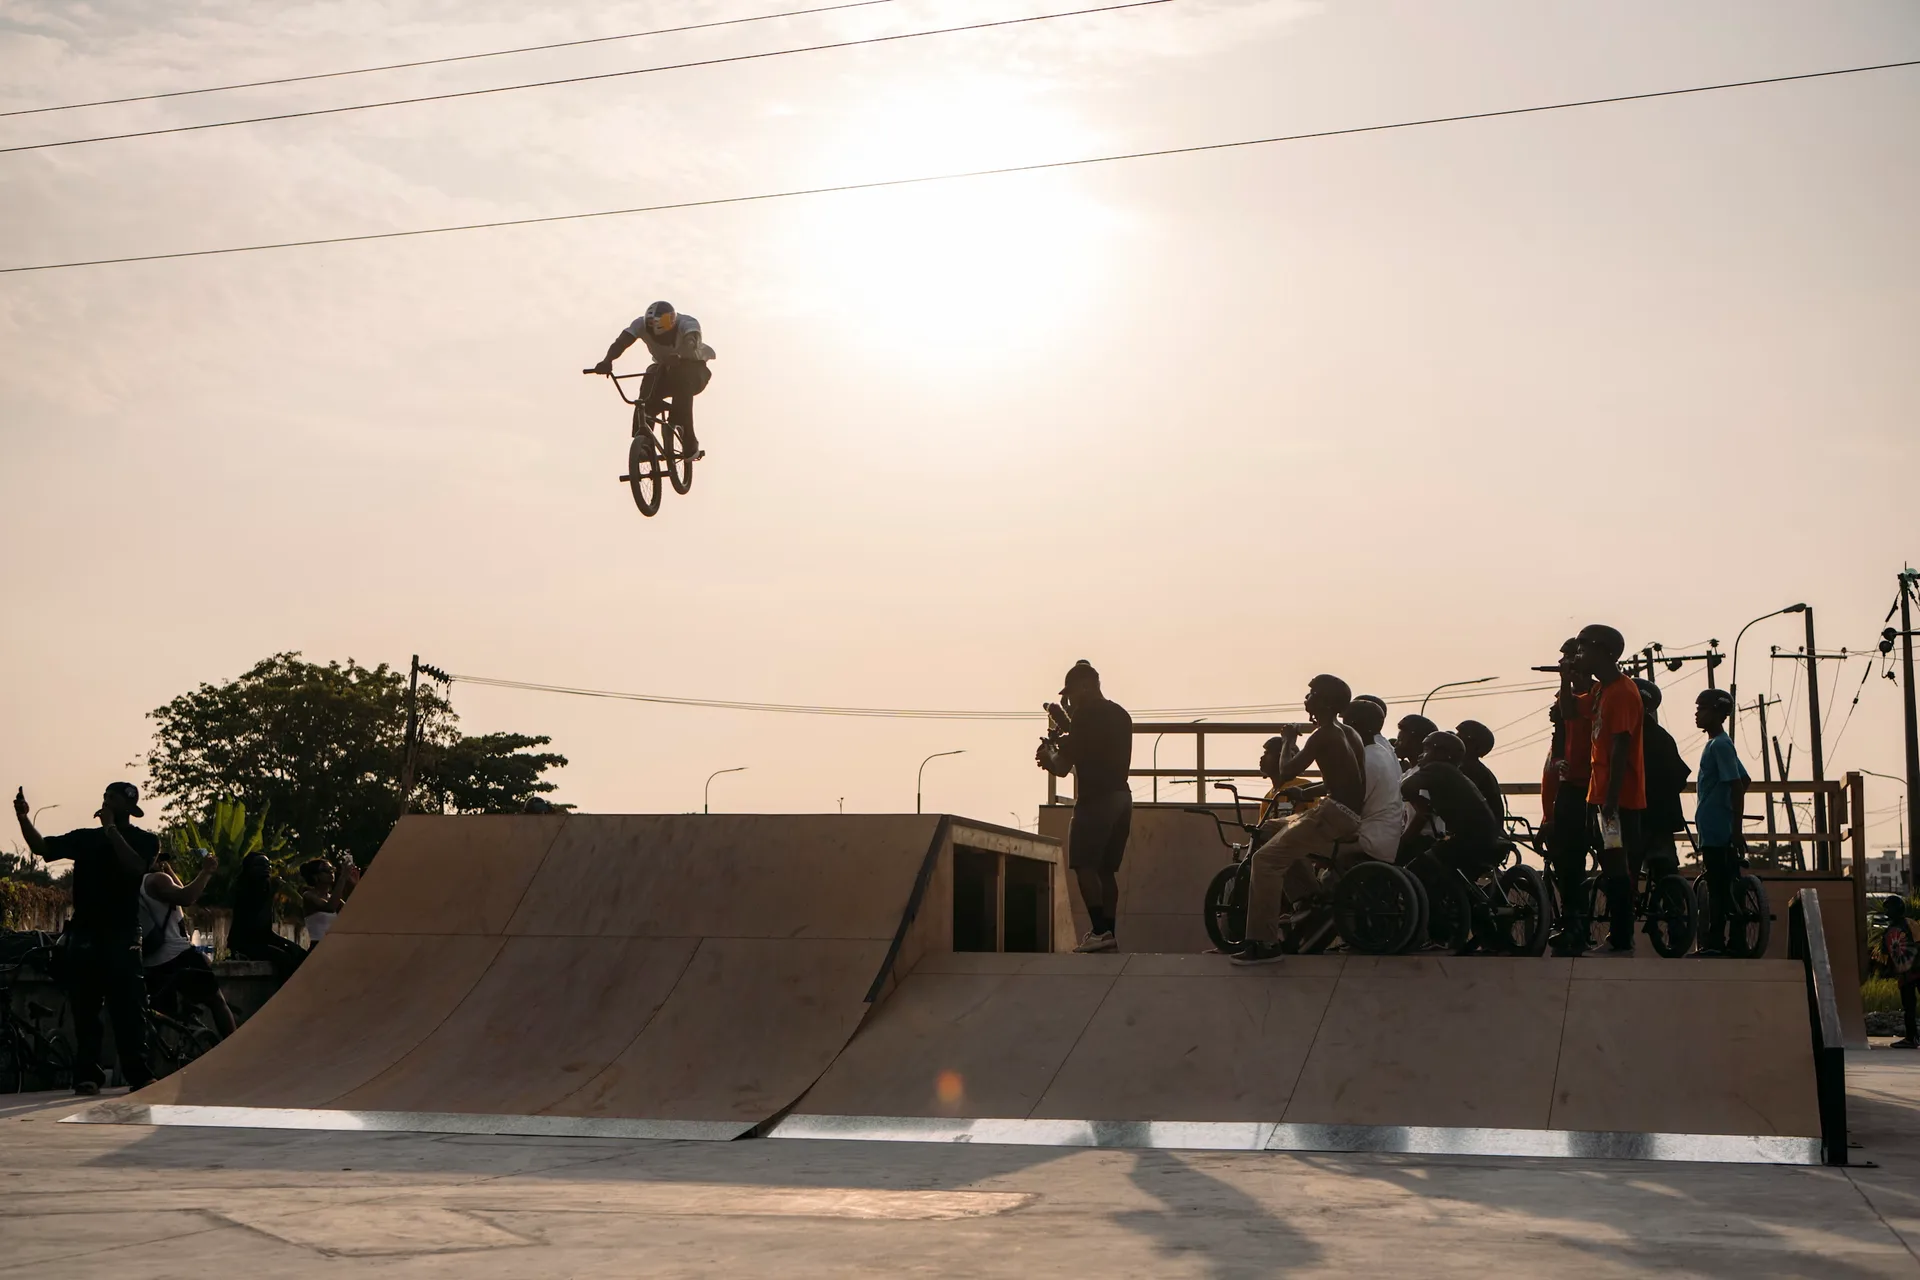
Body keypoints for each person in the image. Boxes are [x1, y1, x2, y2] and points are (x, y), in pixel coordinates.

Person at [12, 783, 154, 1095]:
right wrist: (23, 819)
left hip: (123, 936)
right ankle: (87, 1074)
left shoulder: (145, 840)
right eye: (105, 796)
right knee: (86, 1009)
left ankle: (138, 1073)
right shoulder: (84, 839)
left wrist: (112, 832)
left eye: (113, 798)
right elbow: (43, 848)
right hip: (86, 935)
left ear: (129, 808)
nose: (106, 801)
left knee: (128, 1008)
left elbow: (136, 869)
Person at [1233, 675, 1367, 965]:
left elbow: (1285, 771)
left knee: (1265, 861)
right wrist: (1307, 790)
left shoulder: (1324, 733)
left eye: (1312, 694)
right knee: (1267, 830)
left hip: (1332, 815)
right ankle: (1308, 898)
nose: (1307, 698)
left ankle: (1264, 943)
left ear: (1326, 702)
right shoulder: (1350, 734)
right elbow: (1349, 783)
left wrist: (1288, 740)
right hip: (1346, 812)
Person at [1037, 661, 1133, 954]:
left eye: (1071, 695)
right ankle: (1109, 935)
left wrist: (1047, 757)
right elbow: (1090, 741)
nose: (1069, 701)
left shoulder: (1086, 715)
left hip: (1096, 799)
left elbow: (1064, 766)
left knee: (1084, 866)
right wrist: (1064, 722)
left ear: (1084, 686)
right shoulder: (1120, 714)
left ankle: (1100, 930)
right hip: (1122, 798)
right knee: (1106, 872)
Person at [1575, 624, 1646, 955]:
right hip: (1599, 796)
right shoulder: (1601, 691)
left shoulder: (1622, 692)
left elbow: (1621, 750)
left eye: (1583, 649)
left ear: (1605, 653)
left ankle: (1620, 938)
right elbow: (1568, 711)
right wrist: (1565, 677)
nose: (1578, 655)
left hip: (1616, 802)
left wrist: (1612, 803)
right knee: (1609, 861)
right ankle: (1618, 936)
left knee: (1617, 866)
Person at [140, 848, 236, 1040]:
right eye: (158, 858)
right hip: (178, 957)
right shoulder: (156, 880)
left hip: (153, 962)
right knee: (217, 1001)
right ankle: (233, 1048)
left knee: (159, 1020)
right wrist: (206, 871)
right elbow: (187, 897)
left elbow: (181, 891)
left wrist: (168, 869)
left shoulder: (137, 883)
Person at [589, 300, 717, 442]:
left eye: (665, 335)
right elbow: (621, 342)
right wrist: (607, 361)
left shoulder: (687, 323)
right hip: (665, 370)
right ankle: (643, 436)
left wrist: (680, 355)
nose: (661, 339)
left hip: (695, 371)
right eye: (656, 336)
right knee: (649, 380)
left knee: (682, 374)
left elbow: (691, 341)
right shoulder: (640, 324)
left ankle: (687, 435)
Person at [1547, 637, 1597, 956]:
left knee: (1611, 855)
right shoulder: (1566, 697)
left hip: (1594, 787)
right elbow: (1559, 735)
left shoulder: (1596, 693)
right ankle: (1572, 922)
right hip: (1570, 786)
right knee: (1566, 859)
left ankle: (1590, 924)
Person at [1398, 731, 1503, 879]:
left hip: (1467, 839)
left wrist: (1418, 802)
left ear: (1441, 752)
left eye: (1427, 750)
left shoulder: (1436, 769)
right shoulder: (1454, 773)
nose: (1422, 755)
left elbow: (1406, 787)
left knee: (1420, 867)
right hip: (1487, 836)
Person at [1692, 688, 1750, 956]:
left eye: (1703, 708)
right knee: (1721, 883)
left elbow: (1738, 785)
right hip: (1712, 826)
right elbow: (1744, 778)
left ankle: (1716, 941)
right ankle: (1728, 940)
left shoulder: (1722, 745)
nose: (1697, 713)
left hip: (1718, 830)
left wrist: (1734, 825)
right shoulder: (1716, 743)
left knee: (1718, 886)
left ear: (1717, 712)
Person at [1636, 679, 1691, 889]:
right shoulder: (1663, 737)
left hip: (1641, 816)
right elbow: (1679, 776)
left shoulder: (1626, 735)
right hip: (1661, 817)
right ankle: (1672, 914)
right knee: (1664, 870)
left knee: (1627, 868)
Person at [227, 847, 305, 980]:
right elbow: (252, 928)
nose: (266, 868)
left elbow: (265, 930)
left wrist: (288, 944)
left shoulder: (265, 890)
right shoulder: (245, 891)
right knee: (285, 960)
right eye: (260, 865)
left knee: (300, 954)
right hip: (245, 944)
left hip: (261, 940)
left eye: (268, 865)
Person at [1343, 699, 1406, 864]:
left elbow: (1350, 802)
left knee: (1293, 842)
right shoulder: (1381, 750)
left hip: (1370, 840)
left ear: (1354, 725)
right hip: (1385, 836)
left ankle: (1310, 890)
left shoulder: (1367, 758)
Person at [1882, 896, 1919, 1048]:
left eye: (1888, 908)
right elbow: (1889, 954)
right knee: (1908, 1007)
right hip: (1906, 975)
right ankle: (1911, 1038)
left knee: (1909, 1006)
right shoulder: (1892, 930)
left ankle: (1912, 1038)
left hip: (1913, 972)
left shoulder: (1906, 924)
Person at [299, 856, 359, 946]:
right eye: (326, 869)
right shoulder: (308, 895)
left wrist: (355, 885)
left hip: (333, 946)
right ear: (315, 876)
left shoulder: (332, 898)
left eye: (332, 869)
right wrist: (343, 878)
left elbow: (353, 912)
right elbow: (330, 907)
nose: (331, 872)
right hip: (318, 947)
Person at [1455, 720, 1506, 823]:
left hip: (1479, 833)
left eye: (1459, 738)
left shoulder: (1471, 770)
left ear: (1474, 746)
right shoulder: (1470, 768)